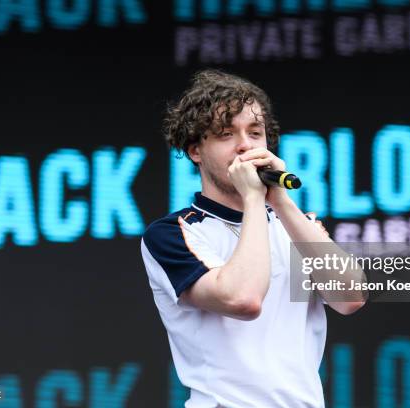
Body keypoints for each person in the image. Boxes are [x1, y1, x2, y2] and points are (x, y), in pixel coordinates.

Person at [141, 70, 366, 407]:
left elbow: (352, 297)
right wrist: (252, 199)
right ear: (196, 151)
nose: (245, 145)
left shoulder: (293, 225)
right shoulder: (172, 234)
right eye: (226, 134)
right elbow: (243, 300)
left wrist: (280, 202)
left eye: (255, 132)